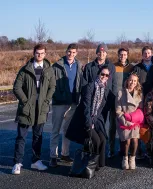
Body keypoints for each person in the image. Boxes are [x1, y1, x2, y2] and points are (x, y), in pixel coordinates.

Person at [12, 44, 56, 175]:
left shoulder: (49, 70)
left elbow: (52, 87)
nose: (40, 55)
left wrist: (46, 101)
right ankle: (17, 163)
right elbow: (16, 87)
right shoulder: (25, 69)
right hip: (26, 108)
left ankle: (36, 161)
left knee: (38, 136)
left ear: (45, 54)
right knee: (21, 137)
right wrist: (25, 101)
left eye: (42, 53)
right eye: (37, 53)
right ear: (33, 53)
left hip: (41, 108)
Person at [66, 65, 111, 170]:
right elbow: (86, 107)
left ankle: (99, 164)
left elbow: (101, 108)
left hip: (96, 119)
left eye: (107, 75)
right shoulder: (90, 87)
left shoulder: (105, 89)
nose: (104, 76)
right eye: (102, 74)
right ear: (98, 74)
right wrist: (89, 123)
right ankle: (90, 164)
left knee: (103, 139)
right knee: (96, 140)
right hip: (85, 119)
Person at [49, 43, 82, 167]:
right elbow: (51, 84)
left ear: (76, 53)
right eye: (69, 52)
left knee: (67, 130)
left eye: (73, 52)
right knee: (55, 130)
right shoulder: (57, 66)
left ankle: (65, 154)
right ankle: (53, 155)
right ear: (66, 51)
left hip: (72, 102)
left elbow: (79, 81)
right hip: (59, 102)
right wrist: (54, 96)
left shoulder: (79, 65)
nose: (71, 54)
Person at [83, 43, 117, 158]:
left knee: (101, 127)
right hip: (91, 104)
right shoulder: (89, 67)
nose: (101, 54)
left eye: (104, 52)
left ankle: (101, 154)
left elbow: (114, 85)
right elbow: (84, 84)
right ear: (96, 52)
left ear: (106, 53)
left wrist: (113, 102)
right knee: (89, 127)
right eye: (99, 51)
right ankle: (88, 151)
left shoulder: (111, 67)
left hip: (104, 104)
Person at [109, 47, 134, 158]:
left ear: (127, 55)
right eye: (121, 54)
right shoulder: (113, 66)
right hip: (114, 100)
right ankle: (111, 149)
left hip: (126, 102)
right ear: (118, 55)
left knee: (125, 126)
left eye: (124, 54)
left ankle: (123, 148)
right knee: (113, 126)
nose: (122, 56)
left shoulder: (132, 68)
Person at [115, 74, 143, 170]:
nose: (132, 82)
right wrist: (125, 122)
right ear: (127, 81)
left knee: (135, 140)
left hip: (135, 121)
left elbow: (140, 109)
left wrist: (136, 119)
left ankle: (133, 158)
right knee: (127, 141)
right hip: (124, 121)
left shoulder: (139, 93)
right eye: (131, 80)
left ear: (137, 83)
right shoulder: (120, 93)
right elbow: (118, 110)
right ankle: (125, 158)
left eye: (135, 81)